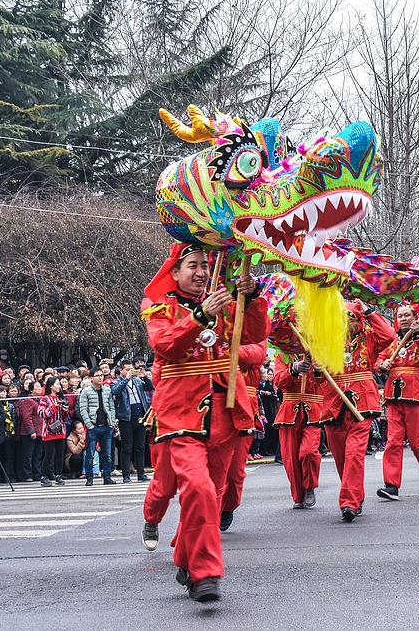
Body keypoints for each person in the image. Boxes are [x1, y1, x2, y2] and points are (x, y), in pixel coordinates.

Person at [140, 243, 269, 602]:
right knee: (194, 487)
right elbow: (164, 345)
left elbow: (256, 338)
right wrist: (199, 317)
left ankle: (185, 558)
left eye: (206, 264)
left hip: (226, 410)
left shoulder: (223, 300)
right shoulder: (160, 305)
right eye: (193, 265)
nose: (201, 271)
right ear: (176, 272)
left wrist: (253, 296)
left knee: (210, 494)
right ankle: (206, 573)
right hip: (180, 411)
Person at [321, 301, 395, 522]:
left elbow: (389, 336)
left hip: (363, 402)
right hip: (334, 403)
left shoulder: (369, 338)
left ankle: (349, 503)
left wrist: (370, 312)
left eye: (351, 319)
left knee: (354, 454)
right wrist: (316, 367)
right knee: (341, 457)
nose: (346, 323)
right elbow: (316, 372)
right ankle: (355, 494)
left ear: (358, 320)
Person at [375, 304, 419, 501]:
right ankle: (391, 485)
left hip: (416, 394)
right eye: (399, 316)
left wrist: (418, 335)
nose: (403, 319)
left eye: (407, 315)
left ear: (415, 317)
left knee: (417, 441)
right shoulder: (391, 341)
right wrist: (382, 365)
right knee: (393, 441)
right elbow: (378, 360)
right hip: (394, 397)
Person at [220, 338, 269, 531]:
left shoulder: (256, 330)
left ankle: (228, 505)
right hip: (213, 400)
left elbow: (256, 354)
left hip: (245, 406)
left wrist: (229, 348)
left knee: (234, 470)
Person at [273, 352, 326, 510]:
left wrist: (318, 370)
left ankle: (309, 486)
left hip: (313, 411)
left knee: (309, 451)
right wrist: (294, 370)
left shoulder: (321, 351)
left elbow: (326, 381)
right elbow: (279, 380)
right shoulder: (283, 355)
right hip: (289, 411)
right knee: (290, 457)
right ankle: (298, 495)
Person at [112, 360, 153, 483]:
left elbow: (150, 387)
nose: (130, 371)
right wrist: (126, 379)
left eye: (131, 369)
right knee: (127, 448)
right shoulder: (117, 382)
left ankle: (141, 473)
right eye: (127, 369)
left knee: (140, 447)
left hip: (140, 416)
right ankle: (126, 475)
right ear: (121, 370)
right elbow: (116, 392)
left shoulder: (137, 381)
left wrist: (144, 376)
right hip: (126, 418)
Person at [77, 368, 117, 486]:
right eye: (97, 375)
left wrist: (112, 421)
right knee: (90, 453)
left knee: (107, 454)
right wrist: (89, 424)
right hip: (93, 427)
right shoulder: (86, 391)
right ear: (91, 378)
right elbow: (83, 409)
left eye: (101, 375)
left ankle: (107, 477)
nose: (100, 377)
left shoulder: (107, 390)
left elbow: (111, 406)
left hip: (106, 426)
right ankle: (89, 478)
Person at [37, 376, 69, 486]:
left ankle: (58, 475)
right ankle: (44, 476)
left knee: (60, 454)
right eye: (57, 384)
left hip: (60, 430)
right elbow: (41, 413)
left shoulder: (61, 398)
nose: (59, 386)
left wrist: (65, 410)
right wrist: (53, 408)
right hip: (48, 430)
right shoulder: (44, 399)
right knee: (49, 454)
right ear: (51, 386)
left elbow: (65, 417)